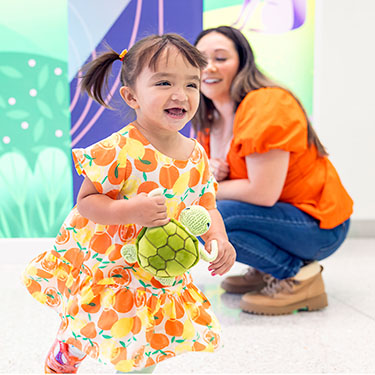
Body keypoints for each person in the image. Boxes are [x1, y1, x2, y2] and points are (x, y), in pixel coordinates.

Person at [23, 33, 236, 374]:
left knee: (141, 345)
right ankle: (70, 347)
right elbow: (87, 203)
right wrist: (130, 210)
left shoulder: (196, 154)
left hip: (158, 271)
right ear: (131, 96)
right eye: (164, 82)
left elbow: (207, 205)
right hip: (113, 264)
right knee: (93, 320)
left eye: (191, 85)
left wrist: (219, 237)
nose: (180, 94)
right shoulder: (118, 148)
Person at [193, 26, 353, 316]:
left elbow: (262, 193)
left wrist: (205, 186)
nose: (210, 67)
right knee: (206, 210)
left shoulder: (266, 103)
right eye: (201, 59)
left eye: (221, 58)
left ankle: (296, 276)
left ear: (242, 63)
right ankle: (266, 268)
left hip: (317, 226)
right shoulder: (208, 117)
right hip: (283, 219)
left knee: (210, 215)